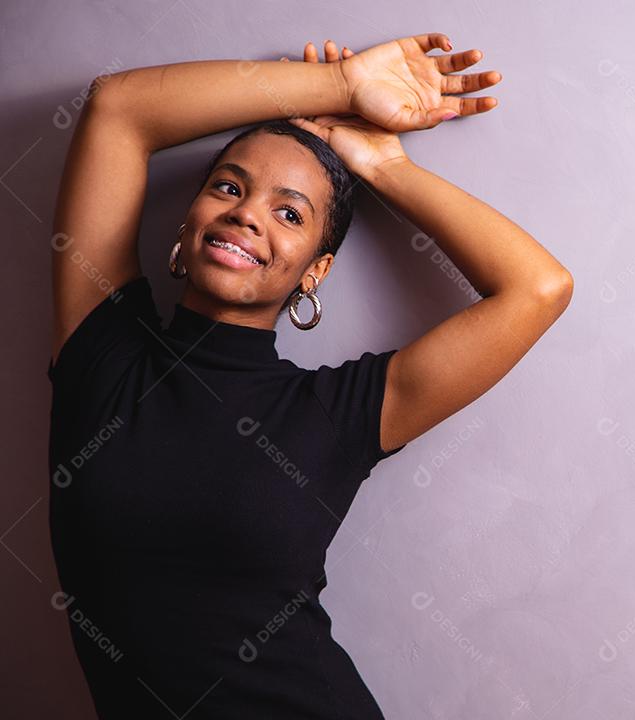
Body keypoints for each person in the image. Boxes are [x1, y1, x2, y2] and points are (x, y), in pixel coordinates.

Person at [47, 34, 573, 719]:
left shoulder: (334, 414)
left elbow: (538, 289)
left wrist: (383, 165)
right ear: (187, 220)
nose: (246, 213)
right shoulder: (102, 355)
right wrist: (343, 84)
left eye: (289, 213)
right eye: (229, 187)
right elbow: (118, 109)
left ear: (314, 271)